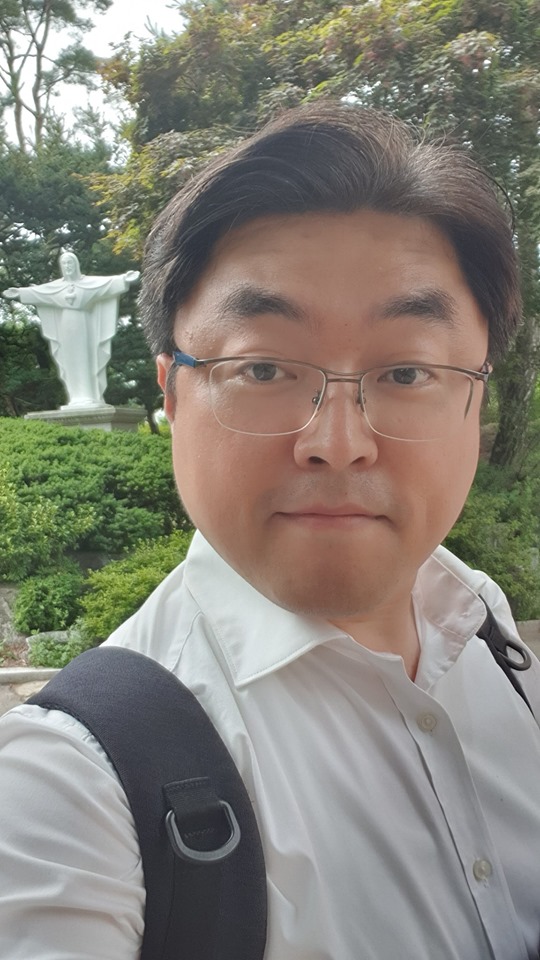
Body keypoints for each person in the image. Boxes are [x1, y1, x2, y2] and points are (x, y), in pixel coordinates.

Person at [1, 103, 539, 960]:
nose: (338, 443)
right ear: (171, 394)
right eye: (262, 367)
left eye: (407, 371)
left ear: (476, 396)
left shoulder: (487, 630)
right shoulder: (72, 790)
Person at [3, 251, 139, 409]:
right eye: (64, 263)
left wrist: (124, 279)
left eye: (70, 263)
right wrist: (19, 293)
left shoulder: (88, 284)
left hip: (84, 324)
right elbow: (38, 292)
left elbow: (106, 284)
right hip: (66, 327)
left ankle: (90, 395)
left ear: (76, 264)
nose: (67, 266)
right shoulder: (56, 287)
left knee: (86, 358)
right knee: (70, 360)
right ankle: (76, 396)